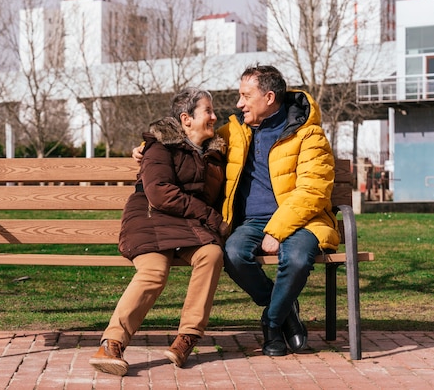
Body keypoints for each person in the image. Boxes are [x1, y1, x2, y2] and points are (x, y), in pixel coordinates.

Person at [132, 64, 339, 357]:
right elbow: (189, 134)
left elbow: (312, 192)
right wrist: (146, 145)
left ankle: (271, 322)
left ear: (269, 97)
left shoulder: (310, 135)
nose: (239, 103)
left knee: (295, 258)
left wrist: (277, 231)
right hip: (251, 221)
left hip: (302, 220)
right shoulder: (235, 132)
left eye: (245, 95)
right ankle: (286, 311)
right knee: (232, 254)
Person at [89, 87, 228, 376]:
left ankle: (187, 338)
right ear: (186, 118)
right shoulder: (161, 146)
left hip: (187, 224)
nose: (215, 117)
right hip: (150, 217)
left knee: (212, 254)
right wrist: (210, 217)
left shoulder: (214, 154)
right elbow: (160, 193)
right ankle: (111, 343)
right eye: (209, 112)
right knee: (154, 271)